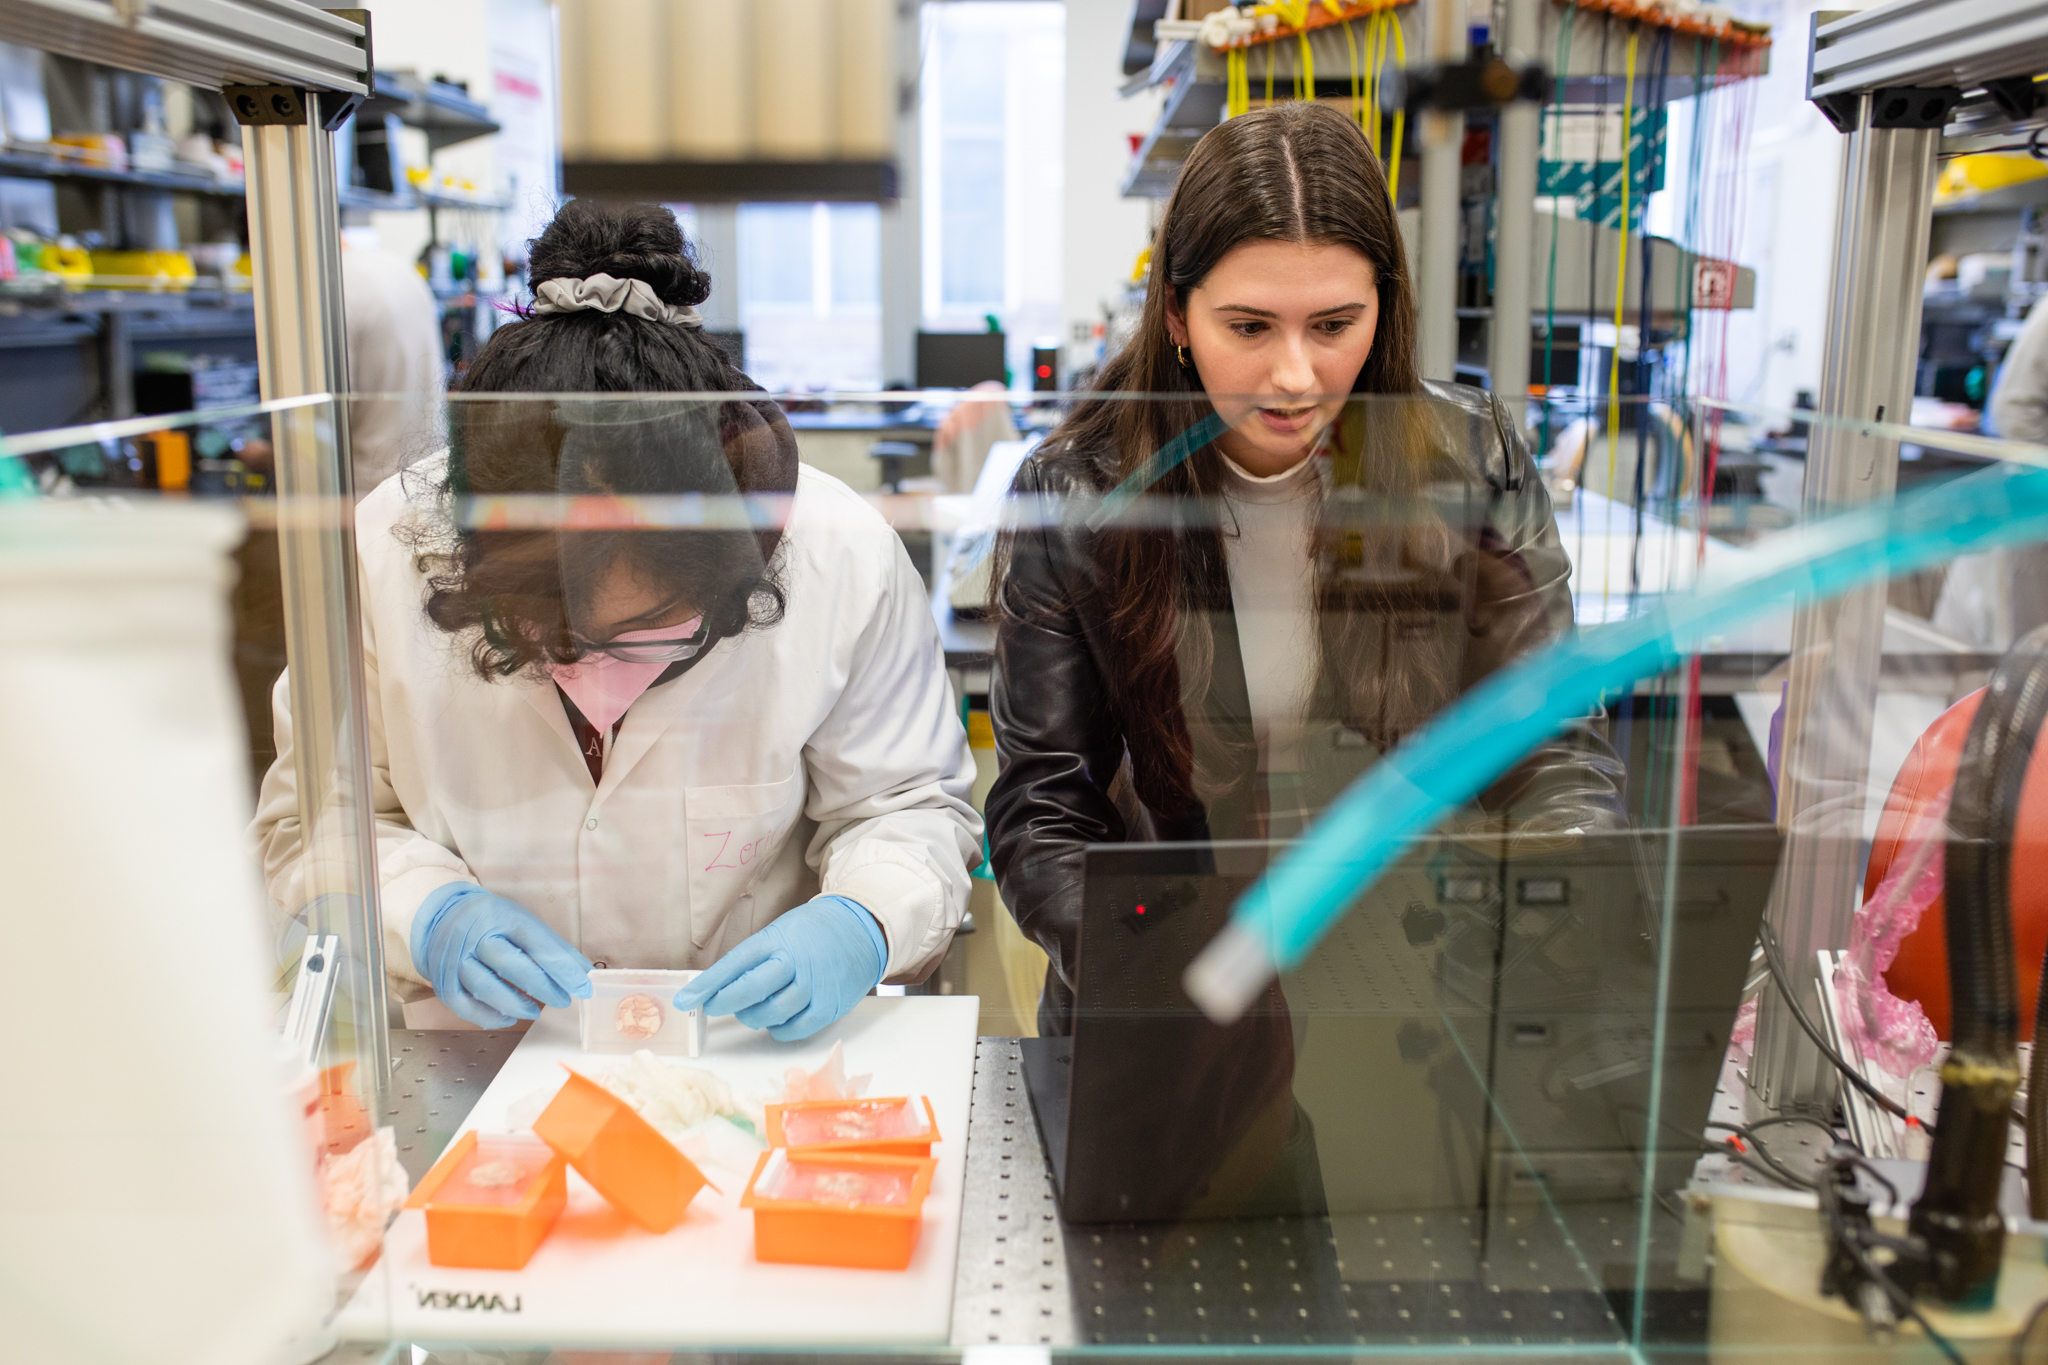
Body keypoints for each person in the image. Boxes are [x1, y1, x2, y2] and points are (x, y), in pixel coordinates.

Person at [254, 200, 981, 1040]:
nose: (598, 676)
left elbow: (907, 807)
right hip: (478, 1055)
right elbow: (312, 821)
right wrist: (427, 911)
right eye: (554, 634)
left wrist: (862, 918)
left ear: (727, 572)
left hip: (748, 1054)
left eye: (650, 626)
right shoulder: (387, 549)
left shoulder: (838, 554)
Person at [985, 103, 1625, 1037]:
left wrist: (1557, 896)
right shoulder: (1077, 492)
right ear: (1175, 314)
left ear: (1384, 308)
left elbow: (1554, 744)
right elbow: (1046, 804)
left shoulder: (1471, 457)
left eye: (1334, 323)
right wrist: (1153, 968)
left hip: (1410, 985)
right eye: (1249, 327)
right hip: (1169, 986)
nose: (1295, 375)